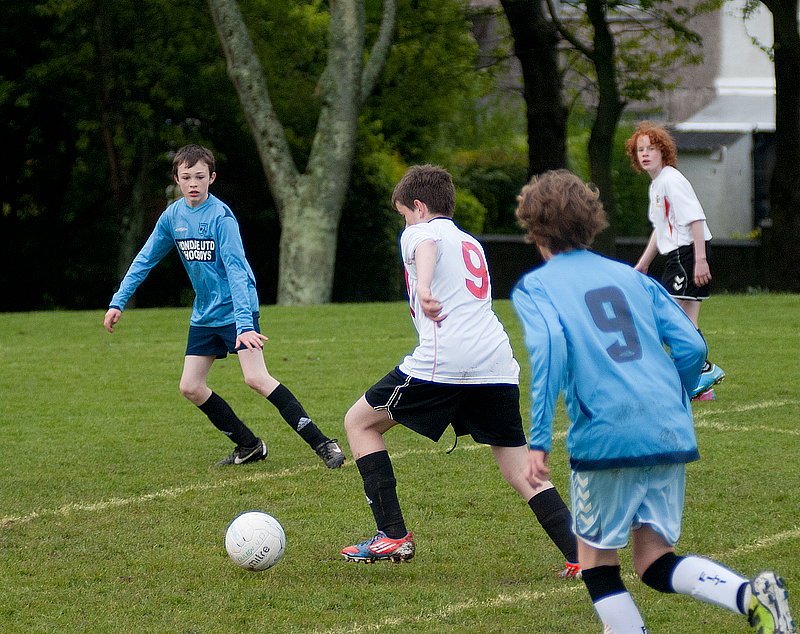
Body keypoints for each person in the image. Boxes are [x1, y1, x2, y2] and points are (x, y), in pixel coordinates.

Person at [511, 169, 796, 634]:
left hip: (606, 434)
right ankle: (750, 596)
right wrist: (677, 397)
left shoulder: (536, 287)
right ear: (592, 223)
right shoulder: (632, 278)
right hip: (669, 427)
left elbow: (549, 357)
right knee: (652, 560)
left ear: (534, 231)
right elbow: (692, 347)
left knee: (595, 559)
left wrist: (539, 441)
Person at [339, 164, 579, 577]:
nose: (405, 223)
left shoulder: (420, 230)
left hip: (445, 360)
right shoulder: (470, 241)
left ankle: (392, 534)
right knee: (520, 469)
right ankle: (581, 555)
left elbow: (425, 244)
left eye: (403, 213)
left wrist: (426, 287)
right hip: (498, 364)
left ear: (418, 206)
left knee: (359, 423)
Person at [103, 144, 345, 469]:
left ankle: (323, 443)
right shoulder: (172, 216)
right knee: (190, 386)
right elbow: (146, 258)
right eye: (186, 177)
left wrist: (245, 325)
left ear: (211, 178)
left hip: (236, 310)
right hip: (205, 313)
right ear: (176, 179)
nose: (192, 183)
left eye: (199, 176)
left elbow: (237, 270)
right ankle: (249, 446)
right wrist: (119, 301)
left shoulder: (221, 217)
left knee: (256, 378)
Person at [625, 121, 725, 400]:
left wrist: (700, 260)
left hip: (688, 254)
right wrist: (644, 263)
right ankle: (699, 385)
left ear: (664, 152)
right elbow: (661, 229)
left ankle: (701, 369)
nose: (645, 154)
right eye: (639, 149)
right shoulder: (658, 184)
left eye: (651, 149)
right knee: (686, 319)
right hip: (681, 255)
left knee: (669, 317)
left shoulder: (671, 179)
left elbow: (696, 218)